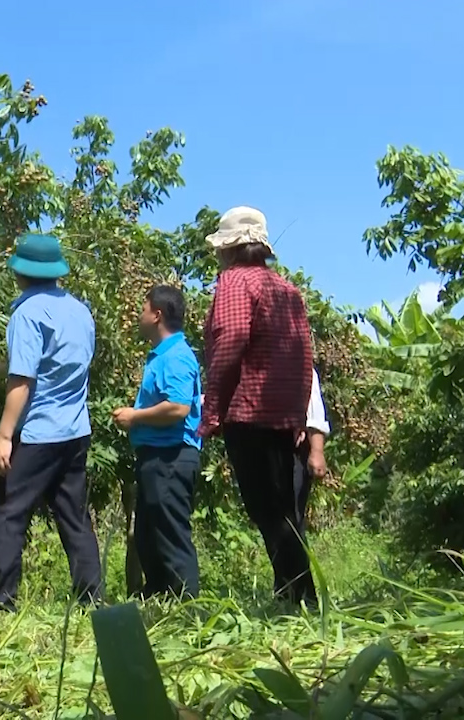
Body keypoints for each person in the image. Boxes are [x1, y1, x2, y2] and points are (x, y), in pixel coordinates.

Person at [200, 207, 317, 607]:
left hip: (249, 411)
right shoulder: (287, 290)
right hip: (283, 414)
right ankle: (290, 597)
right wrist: (299, 415)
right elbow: (304, 356)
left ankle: (304, 596)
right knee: (283, 510)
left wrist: (213, 408)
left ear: (229, 250)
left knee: (268, 512)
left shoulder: (234, 283)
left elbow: (230, 342)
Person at [0, 233, 102, 612]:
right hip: (75, 431)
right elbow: (56, 365)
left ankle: (2, 601)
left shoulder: (27, 313)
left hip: (39, 432)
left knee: (4, 514)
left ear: (21, 273)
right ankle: (91, 599)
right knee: (74, 517)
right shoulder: (80, 311)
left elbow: (24, 382)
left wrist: (3, 436)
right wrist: (2, 366)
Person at [112, 284, 203, 599]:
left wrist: (135, 417)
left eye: (143, 308)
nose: (139, 315)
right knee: (150, 536)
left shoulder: (176, 356)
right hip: (157, 457)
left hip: (171, 458)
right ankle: (160, 599)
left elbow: (178, 407)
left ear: (157, 314)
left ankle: (186, 606)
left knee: (170, 536)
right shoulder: (163, 355)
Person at [295, 368, 331, 540]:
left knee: (292, 520)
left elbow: (314, 411)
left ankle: (299, 567)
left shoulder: (299, 363)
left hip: (294, 450)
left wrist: (317, 451)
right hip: (261, 448)